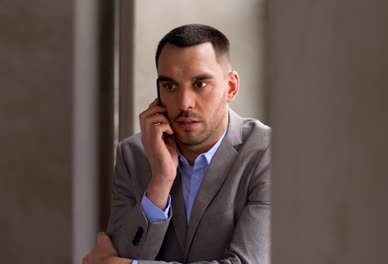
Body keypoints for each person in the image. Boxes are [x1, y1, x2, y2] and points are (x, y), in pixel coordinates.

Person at [83, 24, 271, 264]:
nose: (184, 103)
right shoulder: (133, 154)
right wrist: (160, 181)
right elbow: (120, 253)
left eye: (200, 84)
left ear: (231, 87)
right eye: (170, 86)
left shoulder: (266, 152)